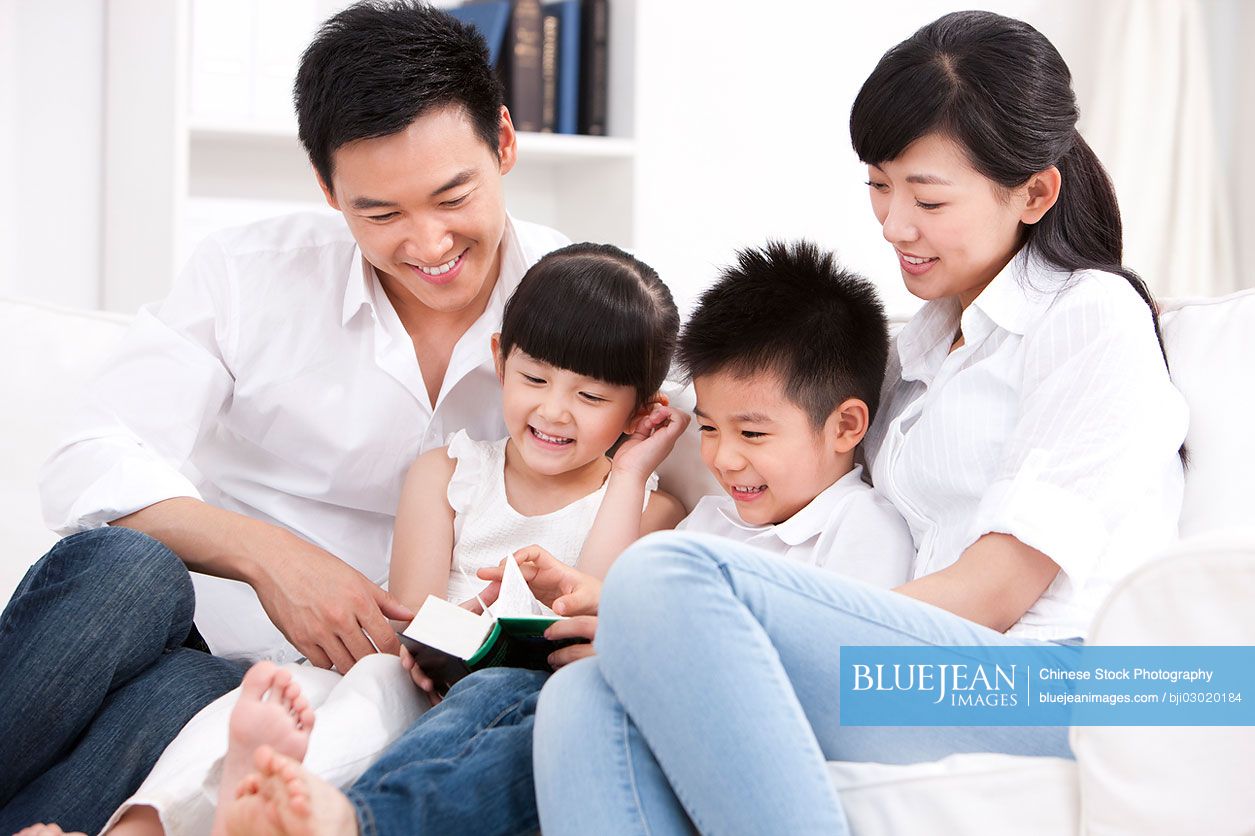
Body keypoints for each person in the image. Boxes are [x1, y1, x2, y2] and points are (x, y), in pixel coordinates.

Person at [528, 10, 1189, 835]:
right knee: (583, 695)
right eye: (878, 186)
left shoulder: (1088, 315)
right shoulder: (913, 349)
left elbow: (996, 591)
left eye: (926, 197)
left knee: (668, 583)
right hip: (958, 667)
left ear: (1034, 191)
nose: (892, 225)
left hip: (1086, 681)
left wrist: (735, 630)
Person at [0, 2, 569, 833]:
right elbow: (90, 453)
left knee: (187, 697)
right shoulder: (250, 273)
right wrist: (276, 561)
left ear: (505, 144)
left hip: (291, 692)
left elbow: (704, 456)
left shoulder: (583, 302)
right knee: (124, 566)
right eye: (380, 213)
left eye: (453, 195)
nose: (428, 242)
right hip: (189, 616)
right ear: (326, 189)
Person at [202, 238, 919, 835]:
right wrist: (588, 576)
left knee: (533, 704)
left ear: (847, 427)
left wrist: (640, 646)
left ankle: (352, 821)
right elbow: (609, 606)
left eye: (751, 434)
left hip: (673, 724)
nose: (722, 458)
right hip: (591, 696)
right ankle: (314, 806)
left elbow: (854, 685)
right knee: (498, 702)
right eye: (706, 429)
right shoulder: (712, 523)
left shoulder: (862, 531)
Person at [92, 242, 686, 836]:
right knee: (293, 690)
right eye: (535, 378)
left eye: (590, 397)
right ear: (500, 362)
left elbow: (592, 603)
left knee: (389, 695)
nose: (554, 412)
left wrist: (628, 475)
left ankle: (282, 807)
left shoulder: (650, 510)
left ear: (639, 415)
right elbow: (410, 620)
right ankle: (146, 825)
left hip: (511, 705)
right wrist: (471, 619)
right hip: (419, 676)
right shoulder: (451, 473)